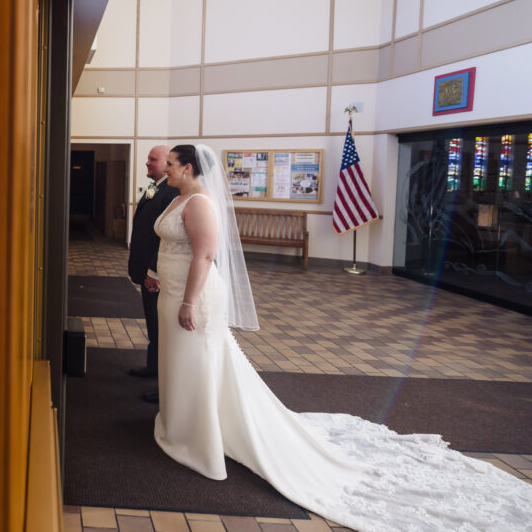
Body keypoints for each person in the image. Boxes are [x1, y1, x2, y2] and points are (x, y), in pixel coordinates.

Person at [152, 144, 532, 531]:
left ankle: (199, 438)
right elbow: (174, 246)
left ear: (188, 168)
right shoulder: (179, 198)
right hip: (172, 290)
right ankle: (183, 422)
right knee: (182, 362)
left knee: (199, 363)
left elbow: (203, 255)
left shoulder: (200, 203)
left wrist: (189, 301)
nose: (165, 169)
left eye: (170, 164)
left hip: (193, 297)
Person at [127, 145, 179, 404]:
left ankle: (165, 385)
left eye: (153, 159)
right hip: (146, 270)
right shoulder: (155, 187)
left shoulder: (171, 192)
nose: (147, 163)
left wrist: (153, 271)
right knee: (153, 323)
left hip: (157, 273)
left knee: (162, 328)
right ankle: (153, 366)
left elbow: (165, 239)